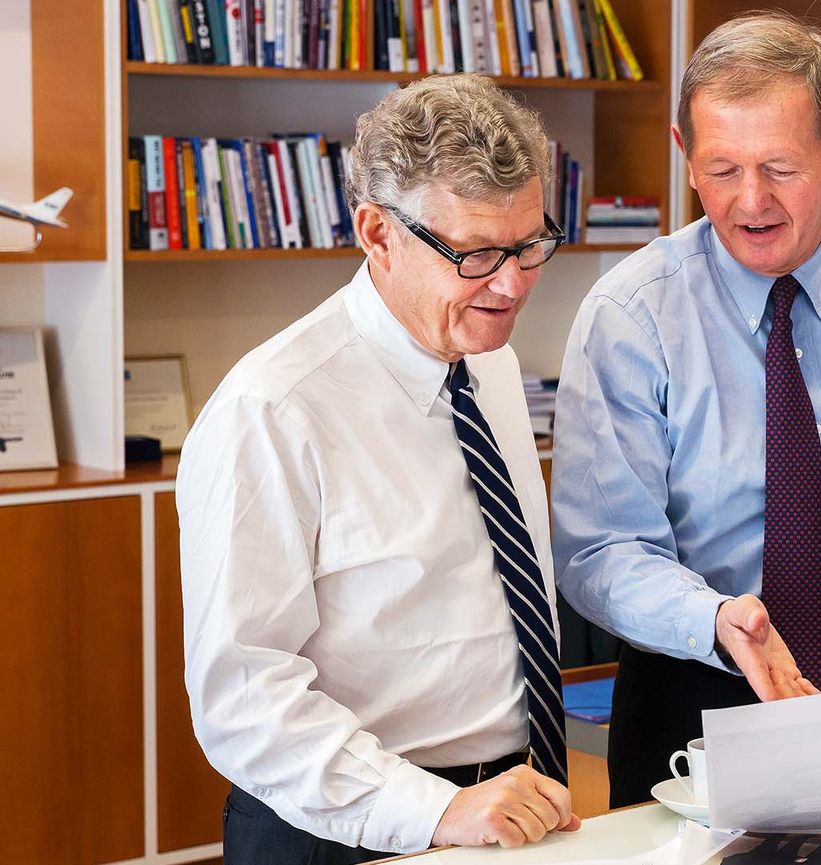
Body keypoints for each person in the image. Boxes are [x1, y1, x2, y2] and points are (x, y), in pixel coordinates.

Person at [552, 11, 821, 807]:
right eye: (720, 168)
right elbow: (599, 551)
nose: (749, 201)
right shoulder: (631, 315)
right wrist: (716, 618)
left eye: (780, 167)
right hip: (695, 688)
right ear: (685, 154)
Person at [179, 75, 581, 864]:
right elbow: (243, 696)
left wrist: (484, 804)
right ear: (376, 232)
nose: (511, 284)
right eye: (474, 253)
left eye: (530, 243)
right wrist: (436, 809)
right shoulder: (272, 410)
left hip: (509, 806)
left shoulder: (485, 359)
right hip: (345, 829)